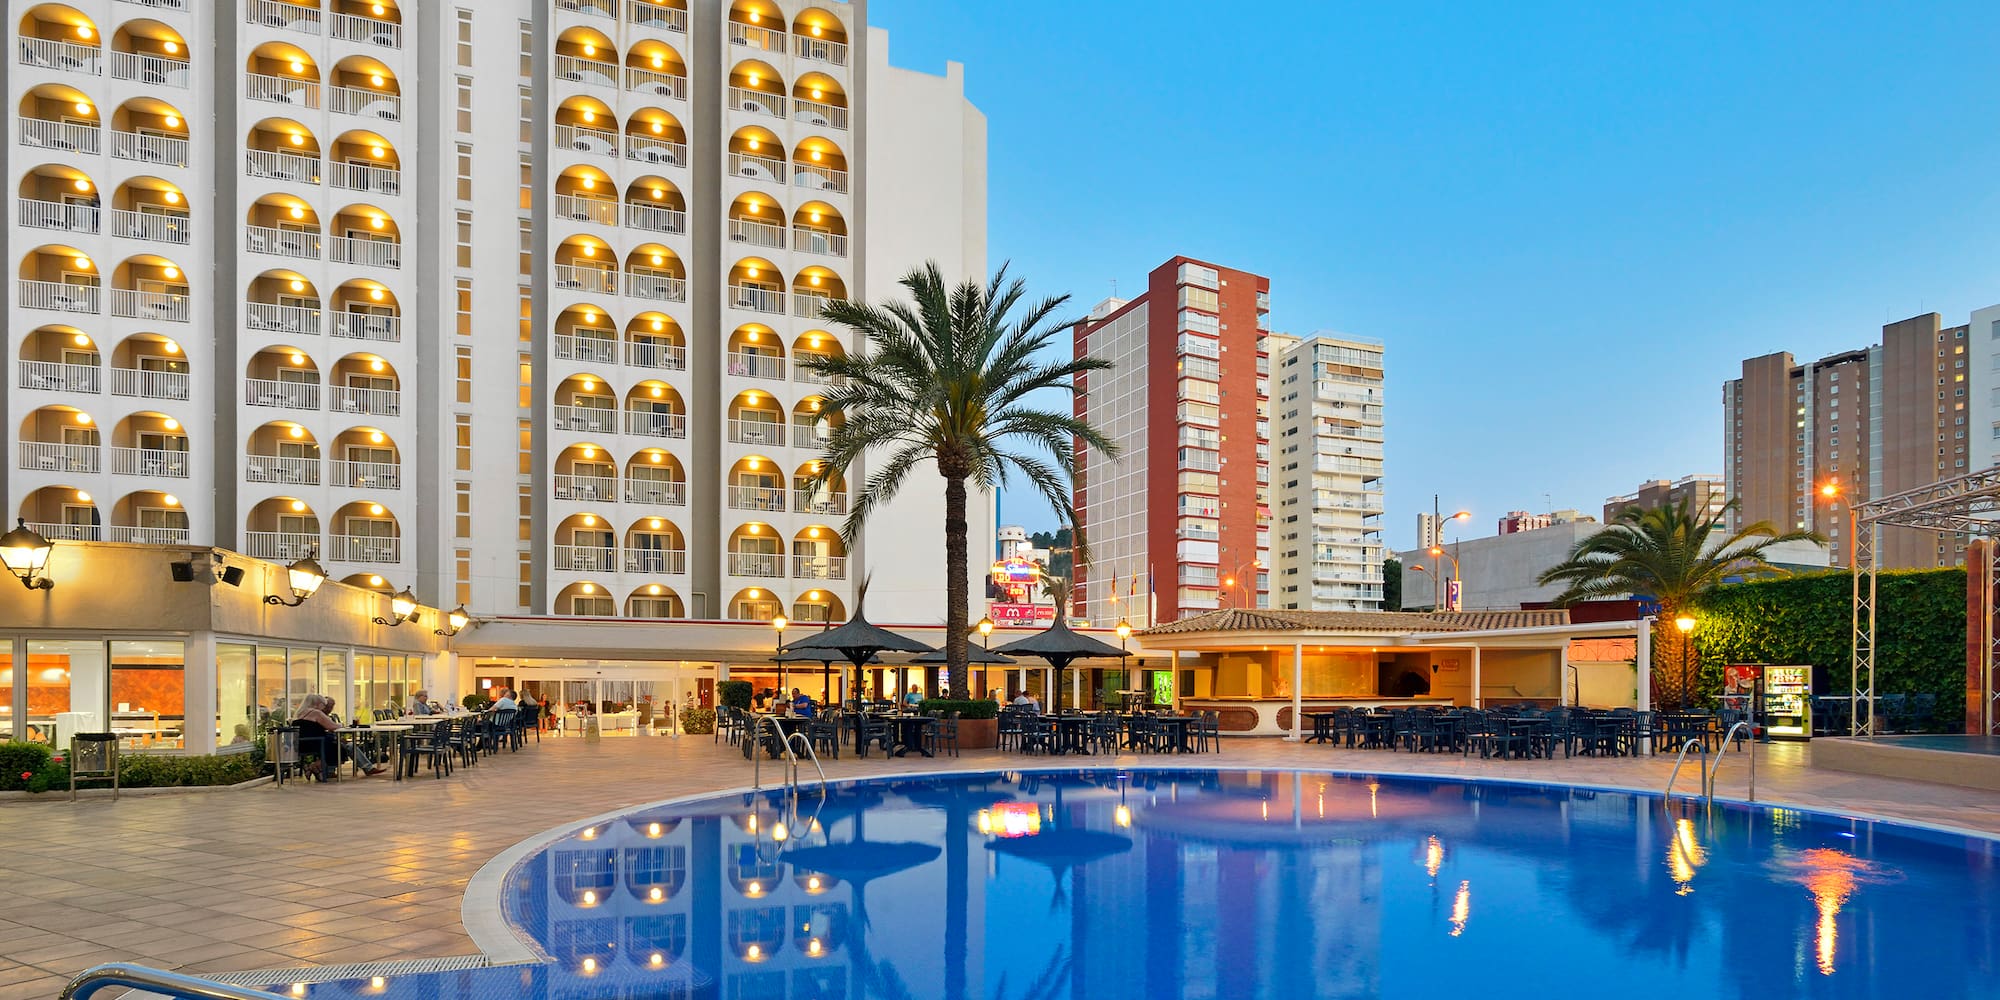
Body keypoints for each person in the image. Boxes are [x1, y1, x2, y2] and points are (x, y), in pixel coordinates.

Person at [295, 694, 385, 778]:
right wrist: (341, 725)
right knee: (347, 746)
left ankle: (322, 769)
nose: (324, 707)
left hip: (303, 744)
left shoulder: (300, 714)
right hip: (319, 744)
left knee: (342, 744)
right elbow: (333, 726)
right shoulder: (316, 713)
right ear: (318, 704)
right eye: (323, 704)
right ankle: (368, 768)